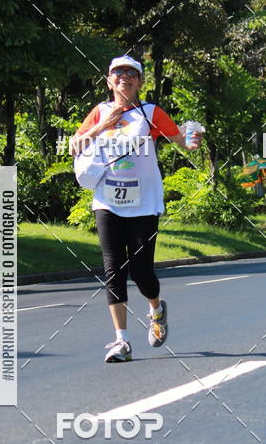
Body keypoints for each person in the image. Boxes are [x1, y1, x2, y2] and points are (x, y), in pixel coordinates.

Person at [70, 55, 202, 362]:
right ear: (109, 81)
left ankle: (156, 309)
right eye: (118, 73)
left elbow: (181, 141)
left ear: (140, 83)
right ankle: (122, 341)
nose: (124, 77)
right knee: (113, 269)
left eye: (131, 73)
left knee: (142, 272)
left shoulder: (151, 113)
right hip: (107, 201)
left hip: (143, 203)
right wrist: (106, 122)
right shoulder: (100, 111)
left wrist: (192, 142)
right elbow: (75, 146)